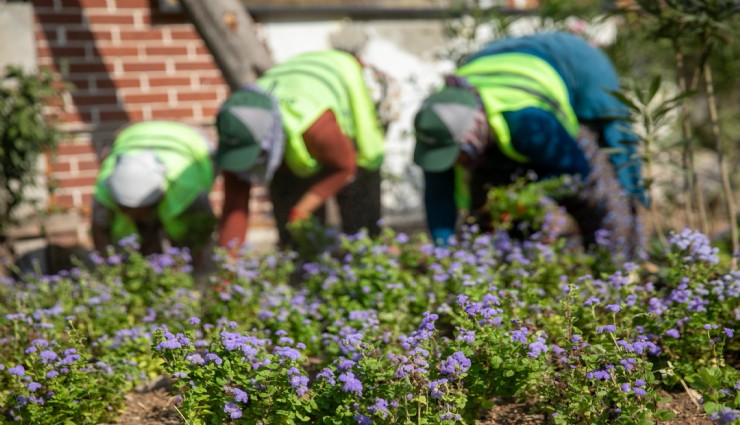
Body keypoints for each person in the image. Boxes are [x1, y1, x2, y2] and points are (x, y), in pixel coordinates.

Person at [413, 31, 645, 259]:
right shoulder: (436, 125)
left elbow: (577, 168)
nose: (456, 162)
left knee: (615, 166)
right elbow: (438, 198)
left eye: (459, 154)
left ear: (473, 136)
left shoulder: (526, 122)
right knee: (494, 194)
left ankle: (626, 261)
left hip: (578, 64)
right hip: (494, 61)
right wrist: (443, 257)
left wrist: (521, 198)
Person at [216, 49, 385, 254]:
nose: (248, 162)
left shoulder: (316, 126)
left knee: (358, 209)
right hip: (293, 98)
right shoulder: (236, 129)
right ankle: (306, 268)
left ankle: (366, 256)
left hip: (343, 77)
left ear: (269, 139)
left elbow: (345, 166)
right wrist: (227, 269)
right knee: (295, 240)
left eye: (256, 154)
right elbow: (235, 206)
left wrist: (302, 209)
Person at [91, 121, 216, 262]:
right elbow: (100, 228)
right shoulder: (106, 184)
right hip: (132, 136)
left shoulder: (187, 184)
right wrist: (109, 264)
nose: (133, 216)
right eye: (126, 209)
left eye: (139, 211)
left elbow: (204, 225)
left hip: (188, 140)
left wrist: (193, 261)